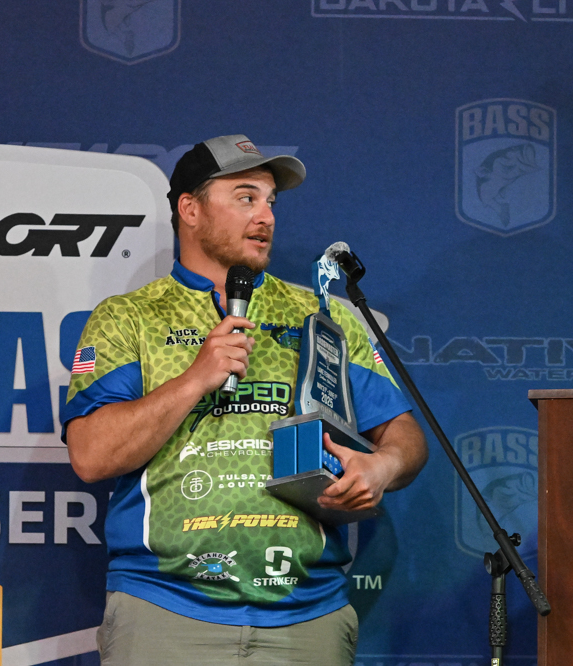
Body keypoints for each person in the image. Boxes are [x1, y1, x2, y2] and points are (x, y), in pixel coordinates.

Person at [61, 134, 428, 664]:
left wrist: (384, 466)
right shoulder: (129, 317)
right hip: (164, 609)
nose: (266, 216)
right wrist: (194, 379)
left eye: (270, 201)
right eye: (245, 197)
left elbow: (404, 434)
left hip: (307, 614)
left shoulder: (322, 316)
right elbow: (91, 455)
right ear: (190, 209)